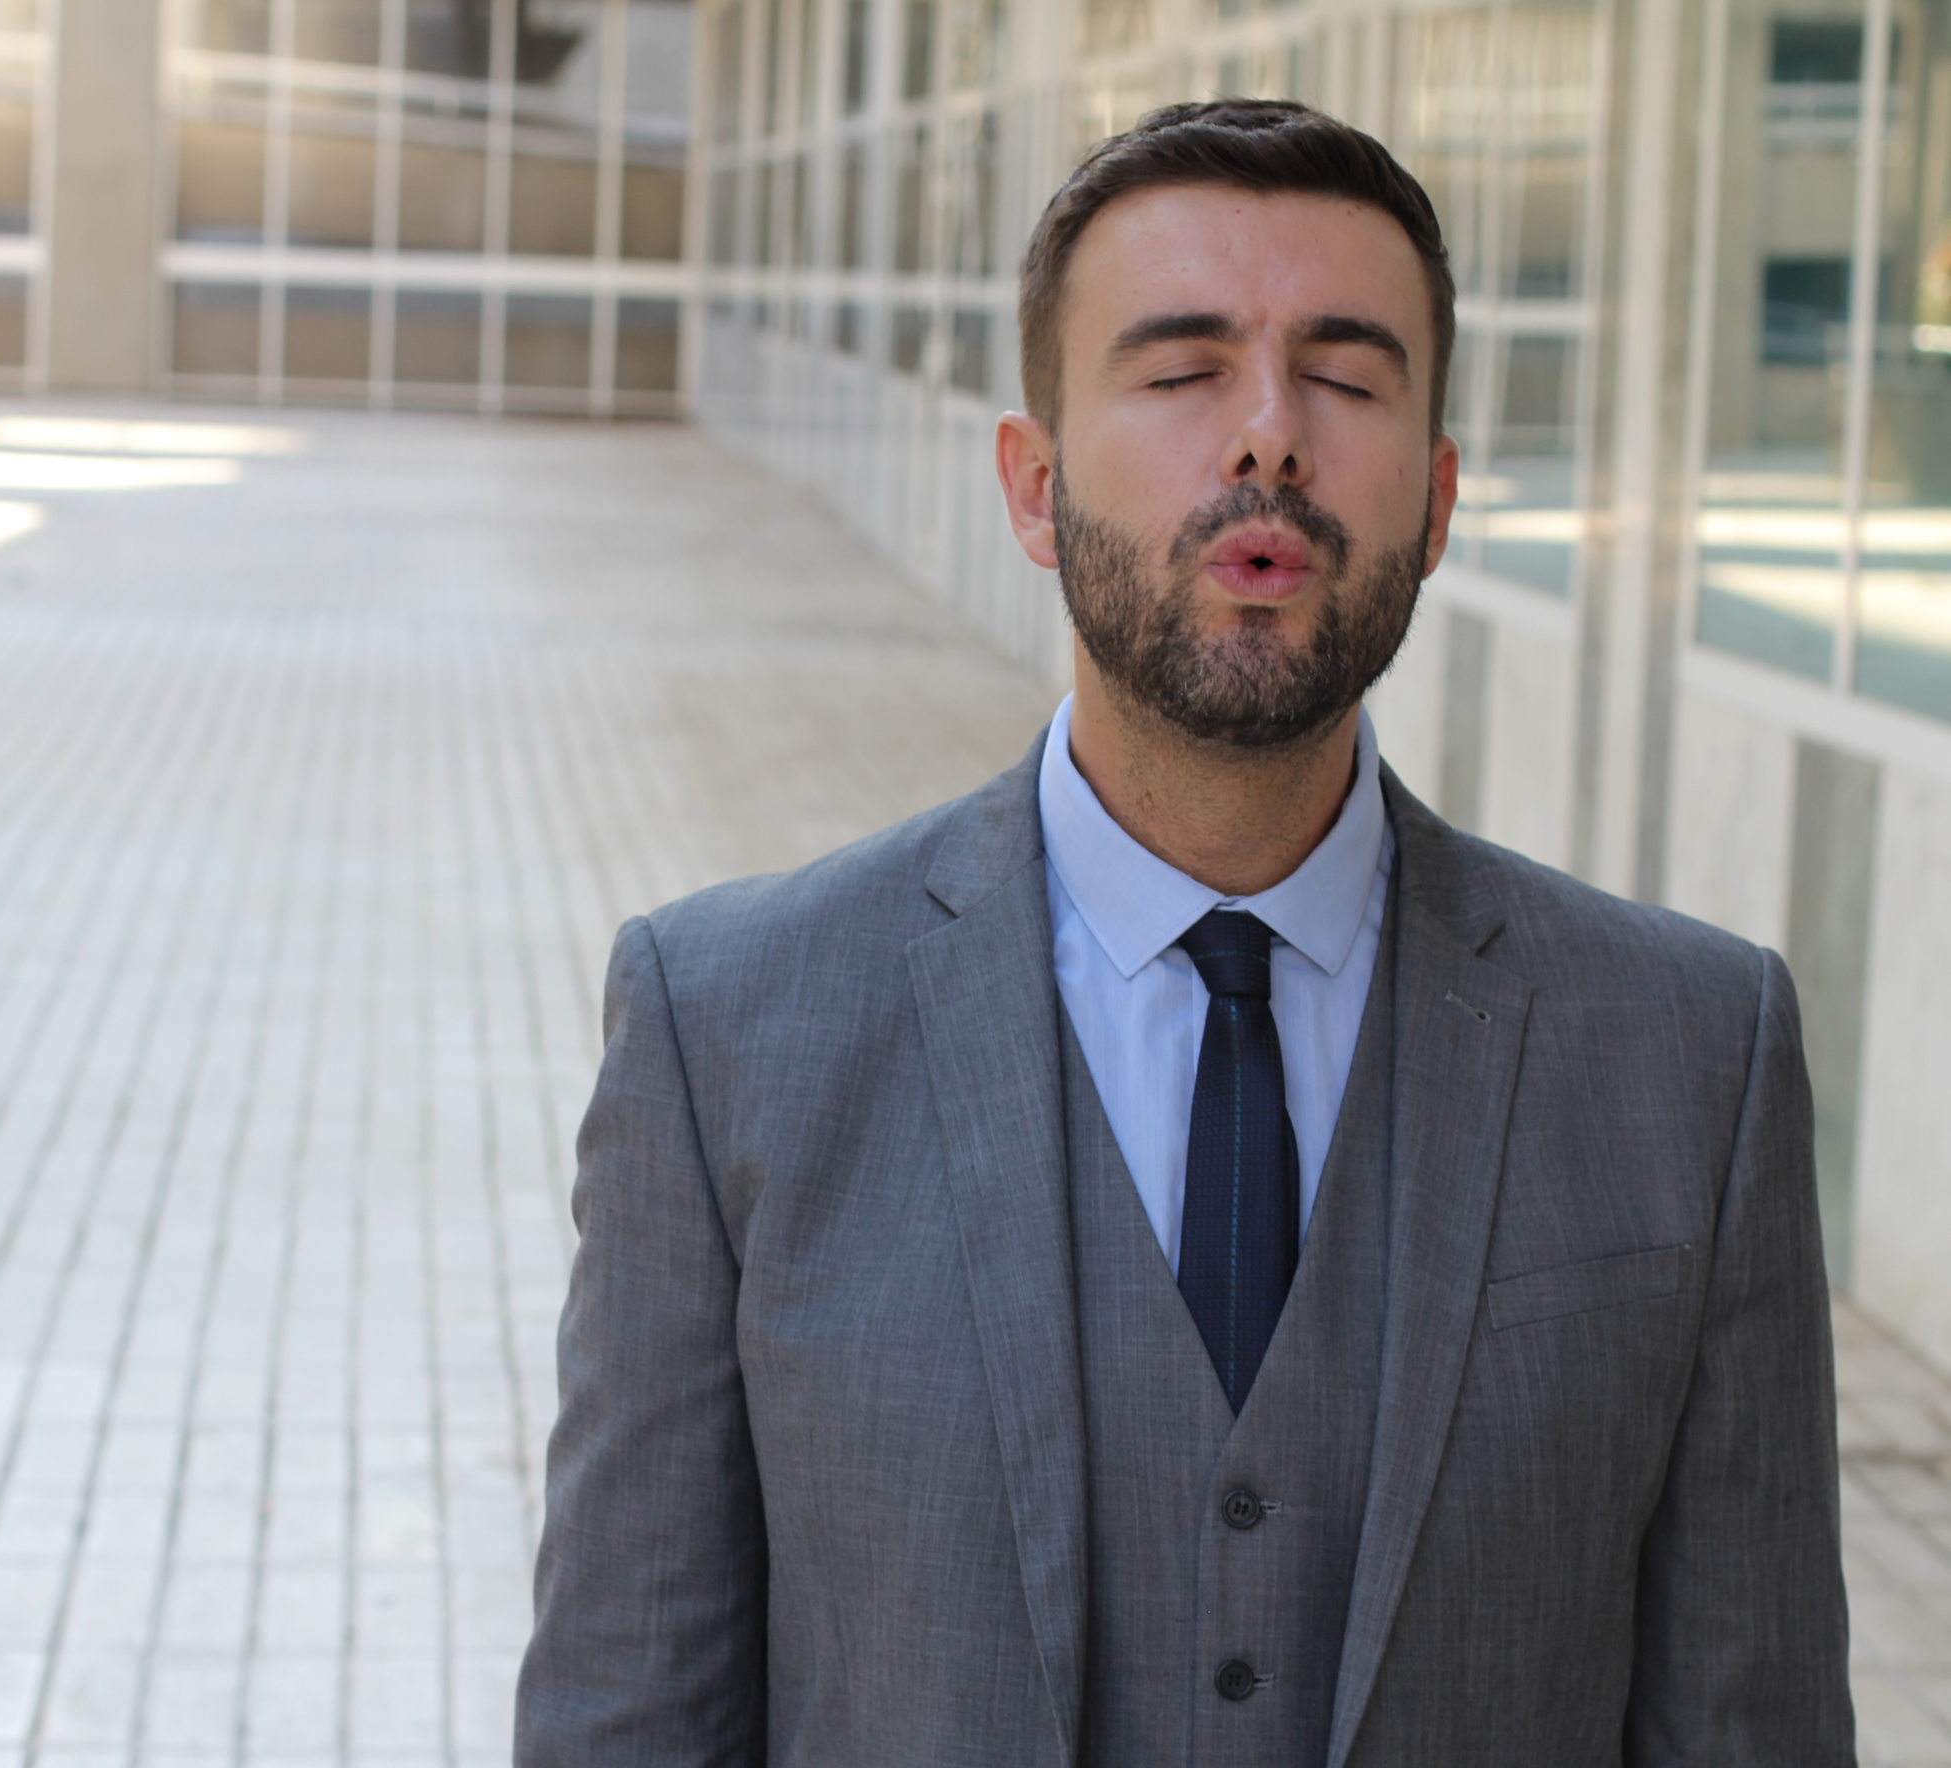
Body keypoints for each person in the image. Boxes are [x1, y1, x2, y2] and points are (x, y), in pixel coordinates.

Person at [514, 99, 1851, 1766]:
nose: (1270, 437)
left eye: (1347, 377)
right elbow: (628, 1715)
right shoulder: (727, 1030)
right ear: (1032, 481)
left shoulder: (1692, 1055)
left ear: (1438, 502)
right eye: (1181, 370)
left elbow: (1755, 1725)